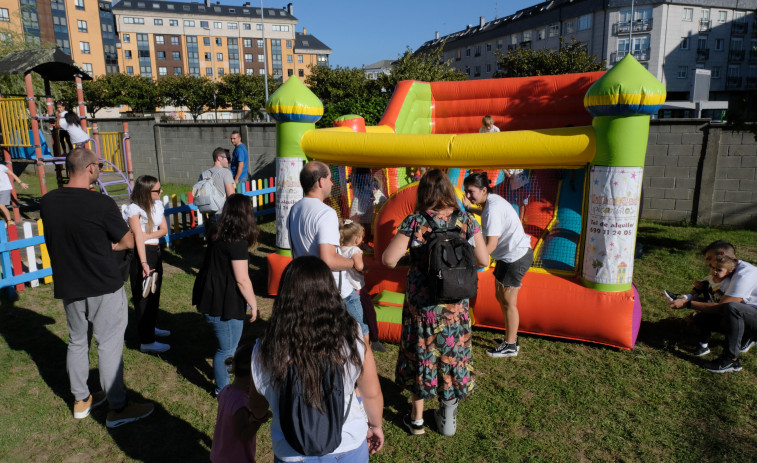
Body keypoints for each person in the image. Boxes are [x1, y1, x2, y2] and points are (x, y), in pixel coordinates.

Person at [40, 148, 154, 427]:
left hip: (69, 284)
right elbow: (127, 240)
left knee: (77, 341)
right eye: (99, 166)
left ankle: (81, 400)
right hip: (103, 283)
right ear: (90, 168)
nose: (100, 169)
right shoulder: (100, 203)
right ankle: (118, 407)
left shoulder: (48, 201)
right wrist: (112, 244)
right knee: (109, 345)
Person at [382, 169, 489, 437]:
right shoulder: (467, 220)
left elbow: (388, 259)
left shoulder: (416, 221)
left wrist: (417, 260)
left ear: (424, 193)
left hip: (423, 306)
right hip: (455, 305)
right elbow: (484, 261)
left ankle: (416, 420)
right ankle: (447, 415)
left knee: (422, 353)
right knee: (451, 352)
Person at [250, 256, 385, 460]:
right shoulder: (352, 334)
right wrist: (375, 425)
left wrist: (257, 416)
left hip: (292, 451)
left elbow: (257, 401)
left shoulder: (265, 348)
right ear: (330, 292)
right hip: (348, 444)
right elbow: (372, 393)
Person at [288, 161, 370, 344]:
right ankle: (362, 371)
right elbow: (328, 259)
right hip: (335, 290)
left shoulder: (295, 209)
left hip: (308, 286)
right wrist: (353, 263)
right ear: (320, 182)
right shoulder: (326, 213)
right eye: (330, 179)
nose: (333, 184)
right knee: (361, 336)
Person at [193, 194, 259, 395]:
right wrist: (253, 304)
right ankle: (223, 390)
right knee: (226, 350)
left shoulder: (217, 232)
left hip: (211, 294)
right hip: (223, 301)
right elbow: (242, 279)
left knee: (226, 345)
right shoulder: (236, 241)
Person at [463, 171, 533, 358]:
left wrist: (472, 261)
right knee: (500, 295)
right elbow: (485, 213)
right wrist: (471, 208)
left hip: (516, 257)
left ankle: (511, 345)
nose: (468, 196)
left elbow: (490, 246)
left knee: (509, 301)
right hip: (508, 256)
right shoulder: (490, 201)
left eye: (471, 192)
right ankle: (511, 337)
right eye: (466, 192)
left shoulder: (492, 209)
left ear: (484, 189)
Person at [669, 241, 757, 373]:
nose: (709, 264)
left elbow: (723, 307)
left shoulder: (746, 274)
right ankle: (746, 335)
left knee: (732, 308)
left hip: (751, 315)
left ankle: (731, 360)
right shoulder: (726, 271)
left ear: (722, 254)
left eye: (709, 258)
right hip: (748, 315)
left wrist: (688, 304)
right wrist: (691, 297)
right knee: (702, 318)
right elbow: (709, 289)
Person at [123, 175, 170, 354]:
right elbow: (137, 239)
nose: (161, 191)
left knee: (154, 292)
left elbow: (164, 229)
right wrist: (143, 263)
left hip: (154, 252)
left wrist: (148, 236)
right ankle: (146, 341)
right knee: (143, 296)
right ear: (146, 192)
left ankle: (150, 327)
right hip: (141, 255)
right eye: (158, 190)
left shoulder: (157, 205)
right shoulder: (134, 210)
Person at [211, 343, 271, 463]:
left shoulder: (226, 390)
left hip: (221, 453)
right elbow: (244, 436)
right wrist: (260, 418)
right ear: (253, 375)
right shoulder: (241, 403)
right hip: (235, 458)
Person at [668, 254, 737, 357]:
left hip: (721, 312)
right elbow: (702, 287)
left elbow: (723, 304)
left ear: (729, 272)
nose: (714, 271)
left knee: (704, 320)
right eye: (713, 268)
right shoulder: (709, 278)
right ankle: (686, 298)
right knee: (703, 284)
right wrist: (695, 294)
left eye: (719, 270)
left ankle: (703, 346)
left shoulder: (728, 284)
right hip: (709, 304)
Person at [340, 219, 385, 353]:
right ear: (356, 239)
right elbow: (359, 266)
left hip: (345, 289)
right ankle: (373, 339)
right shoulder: (355, 250)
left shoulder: (339, 249)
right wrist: (365, 267)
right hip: (358, 289)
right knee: (368, 312)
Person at [200, 147, 236, 226]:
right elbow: (231, 197)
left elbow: (200, 197)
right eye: (227, 158)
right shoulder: (226, 172)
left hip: (207, 215)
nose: (229, 161)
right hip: (222, 214)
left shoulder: (203, 174)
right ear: (219, 158)